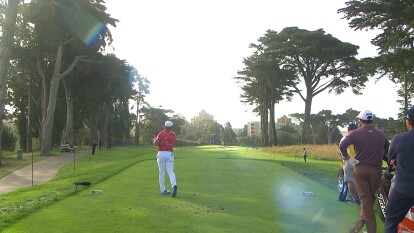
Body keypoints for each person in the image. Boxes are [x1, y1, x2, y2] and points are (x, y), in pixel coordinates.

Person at [339, 110, 390, 233]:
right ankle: (361, 223)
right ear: (371, 120)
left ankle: (370, 230)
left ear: (360, 121)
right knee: (369, 198)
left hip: (360, 169)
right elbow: (387, 150)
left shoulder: (355, 133)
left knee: (366, 200)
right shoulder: (381, 134)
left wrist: (347, 158)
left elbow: (342, 145)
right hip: (376, 170)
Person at [384, 107, 414, 233]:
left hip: (404, 190)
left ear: (408, 121)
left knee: (390, 220)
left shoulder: (399, 139)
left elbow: (390, 157)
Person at [153, 120, 178, 197]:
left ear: (164, 126)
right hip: (170, 154)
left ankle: (163, 190)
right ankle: (174, 185)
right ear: (171, 127)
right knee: (170, 171)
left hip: (161, 153)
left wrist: (154, 140)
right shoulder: (173, 134)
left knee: (161, 172)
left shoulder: (161, 133)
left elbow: (155, 143)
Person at [339, 122, 359, 204]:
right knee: (358, 180)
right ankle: (360, 196)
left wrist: (345, 157)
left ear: (348, 130)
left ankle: (354, 199)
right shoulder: (360, 138)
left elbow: (341, 150)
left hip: (349, 161)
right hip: (359, 161)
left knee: (350, 181)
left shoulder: (345, 138)